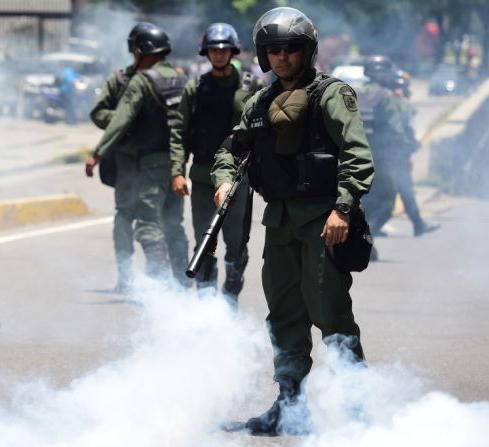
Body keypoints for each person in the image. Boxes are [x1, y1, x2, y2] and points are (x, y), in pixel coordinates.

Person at [211, 7, 374, 435]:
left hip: (324, 221)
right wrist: (225, 181)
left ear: (307, 51)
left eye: (291, 48)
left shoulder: (330, 95)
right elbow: (230, 148)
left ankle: (358, 413)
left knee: (332, 315)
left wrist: (343, 208)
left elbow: (356, 156)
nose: (282, 57)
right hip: (279, 223)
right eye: (273, 50)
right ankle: (289, 407)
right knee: (283, 317)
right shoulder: (260, 103)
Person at [89, 23, 190, 292]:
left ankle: (167, 284)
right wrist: (127, 120)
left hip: (153, 164)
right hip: (127, 163)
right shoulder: (121, 79)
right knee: (126, 216)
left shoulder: (154, 81)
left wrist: (124, 123)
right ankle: (127, 278)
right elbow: (102, 114)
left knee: (159, 223)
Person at [169, 22, 263, 304]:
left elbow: (262, 132)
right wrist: (177, 172)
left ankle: (230, 296)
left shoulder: (251, 85)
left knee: (236, 244)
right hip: (201, 176)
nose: (219, 54)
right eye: (213, 50)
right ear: (206, 53)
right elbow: (179, 132)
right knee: (204, 240)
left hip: (238, 178)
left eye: (224, 49)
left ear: (233, 51)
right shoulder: (195, 87)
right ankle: (207, 303)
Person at [359, 55, 439, 241]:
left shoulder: (357, 93)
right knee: (387, 203)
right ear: (382, 74)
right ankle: (365, 237)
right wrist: (407, 150)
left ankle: (368, 246)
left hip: (363, 157)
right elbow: (397, 128)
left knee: (369, 202)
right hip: (387, 157)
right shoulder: (386, 96)